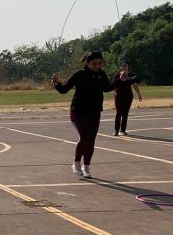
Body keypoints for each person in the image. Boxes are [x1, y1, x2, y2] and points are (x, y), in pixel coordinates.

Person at [53, 51, 120, 179]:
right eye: (94, 63)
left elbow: (107, 88)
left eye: (99, 63)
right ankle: (76, 163)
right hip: (78, 111)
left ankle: (86, 167)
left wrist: (118, 81)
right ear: (87, 63)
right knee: (84, 137)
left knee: (91, 140)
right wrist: (57, 84)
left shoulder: (101, 74)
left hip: (95, 112)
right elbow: (64, 90)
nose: (97, 66)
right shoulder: (80, 74)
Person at [111, 60, 143, 136]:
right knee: (118, 113)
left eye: (125, 65)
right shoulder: (117, 75)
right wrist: (115, 92)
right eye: (122, 65)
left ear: (128, 67)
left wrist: (139, 94)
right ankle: (116, 131)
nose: (123, 67)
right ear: (120, 67)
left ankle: (123, 130)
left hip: (128, 96)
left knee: (125, 113)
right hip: (118, 96)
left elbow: (135, 85)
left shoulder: (132, 75)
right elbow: (113, 85)